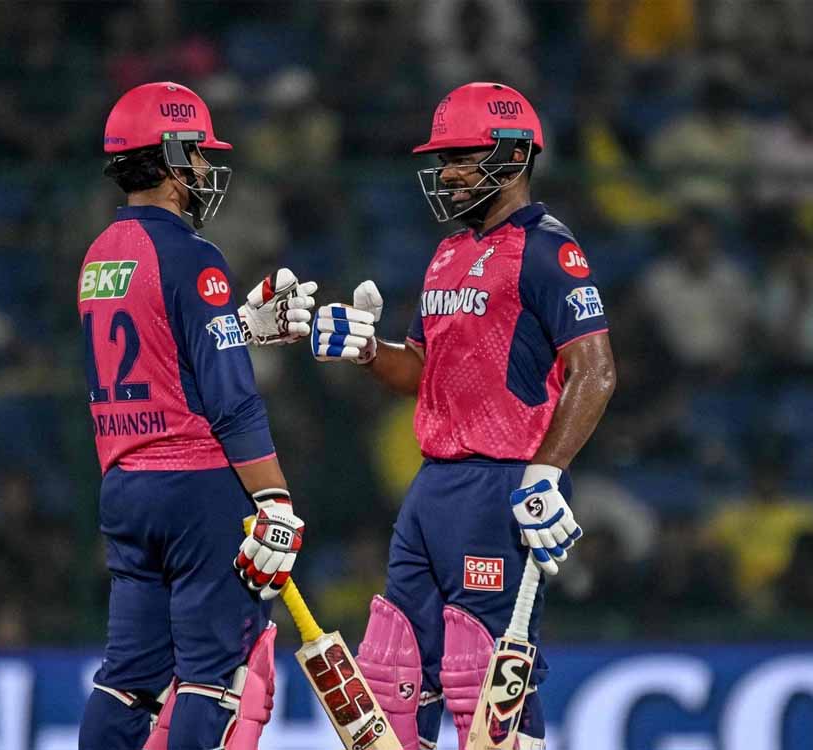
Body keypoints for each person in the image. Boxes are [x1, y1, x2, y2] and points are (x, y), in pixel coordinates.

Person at [311, 82, 616, 750]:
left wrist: (546, 472)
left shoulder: (548, 250)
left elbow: (595, 371)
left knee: (489, 682)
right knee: (392, 674)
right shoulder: (449, 251)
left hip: (500, 488)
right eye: (442, 160)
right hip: (432, 487)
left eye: (460, 157)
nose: (446, 174)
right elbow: (422, 371)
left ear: (513, 154)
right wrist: (369, 350)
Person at [78, 81, 316, 750]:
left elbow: (158, 352)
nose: (207, 170)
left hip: (125, 488)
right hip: (197, 490)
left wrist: (237, 327)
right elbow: (231, 398)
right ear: (173, 157)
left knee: (128, 681)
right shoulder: (195, 257)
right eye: (200, 155)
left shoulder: (98, 255)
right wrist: (274, 498)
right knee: (218, 681)